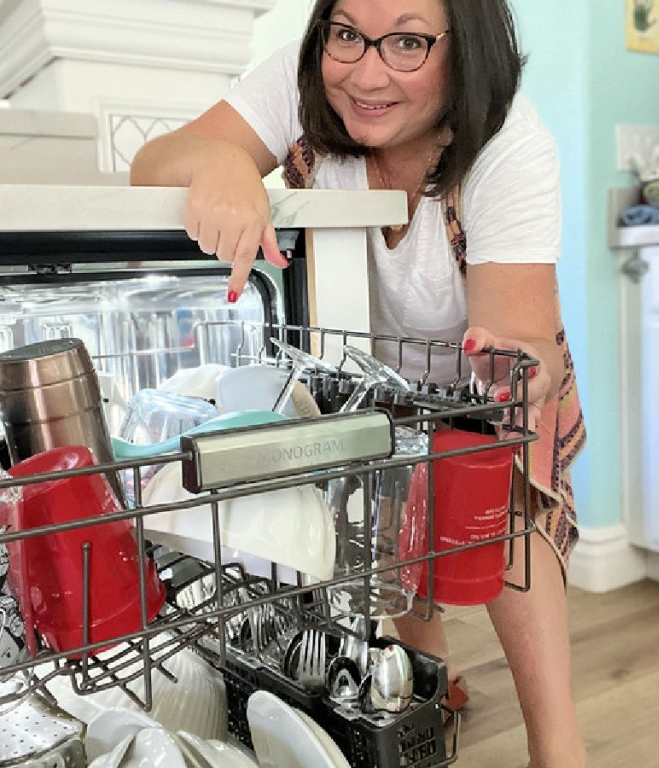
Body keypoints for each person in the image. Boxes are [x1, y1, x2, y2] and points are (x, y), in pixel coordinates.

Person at [131, 1, 588, 765]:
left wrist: (515, 360)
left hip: (490, 375)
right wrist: (219, 162)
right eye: (347, 34)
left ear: (465, 47)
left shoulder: (509, 143)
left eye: (408, 42)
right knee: (385, 526)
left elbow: (521, 328)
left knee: (508, 513)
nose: (368, 71)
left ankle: (558, 739)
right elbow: (156, 161)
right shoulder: (304, 79)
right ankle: (423, 696)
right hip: (368, 374)